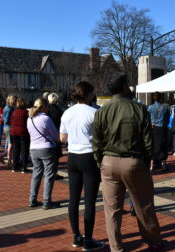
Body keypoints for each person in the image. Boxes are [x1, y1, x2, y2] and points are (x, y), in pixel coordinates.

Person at [93, 74, 163, 252]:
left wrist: (100, 161)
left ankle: (116, 247)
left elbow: (96, 141)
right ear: (124, 87)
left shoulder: (102, 111)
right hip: (133, 161)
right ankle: (153, 240)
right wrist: (145, 162)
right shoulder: (139, 109)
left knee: (112, 210)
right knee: (144, 205)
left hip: (108, 162)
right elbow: (148, 141)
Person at [60, 81, 104, 251]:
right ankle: (88, 239)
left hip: (72, 157)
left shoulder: (67, 113)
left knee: (74, 199)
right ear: (88, 94)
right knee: (90, 200)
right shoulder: (95, 112)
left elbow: (62, 138)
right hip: (89, 156)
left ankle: (76, 236)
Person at [27, 98, 60, 210]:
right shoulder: (46, 119)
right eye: (47, 106)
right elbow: (56, 136)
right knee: (49, 175)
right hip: (46, 148)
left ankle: (32, 199)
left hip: (34, 149)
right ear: (44, 107)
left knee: (36, 174)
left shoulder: (30, 118)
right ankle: (47, 201)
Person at [148, 92, 170, 171]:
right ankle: (163, 164)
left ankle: (151, 164)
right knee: (163, 145)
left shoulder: (150, 108)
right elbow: (167, 119)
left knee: (153, 145)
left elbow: (148, 119)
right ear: (160, 98)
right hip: (162, 128)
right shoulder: (166, 107)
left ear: (154, 98)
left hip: (153, 128)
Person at [10, 98, 30, 173]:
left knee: (16, 149)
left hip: (14, 132)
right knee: (24, 150)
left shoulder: (14, 112)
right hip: (23, 132)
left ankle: (15, 167)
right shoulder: (26, 112)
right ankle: (24, 168)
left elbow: (11, 121)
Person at [47, 92, 64, 180]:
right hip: (56, 132)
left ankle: (49, 172)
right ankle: (54, 172)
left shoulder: (46, 109)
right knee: (56, 155)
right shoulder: (59, 110)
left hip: (47, 134)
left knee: (49, 155)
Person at [0, 95, 16, 166]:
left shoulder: (6, 108)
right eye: (14, 100)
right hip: (9, 127)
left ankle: (3, 157)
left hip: (6, 127)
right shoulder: (9, 109)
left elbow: (3, 119)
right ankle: (8, 160)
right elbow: (6, 120)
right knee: (11, 145)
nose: (15, 101)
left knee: (11, 144)